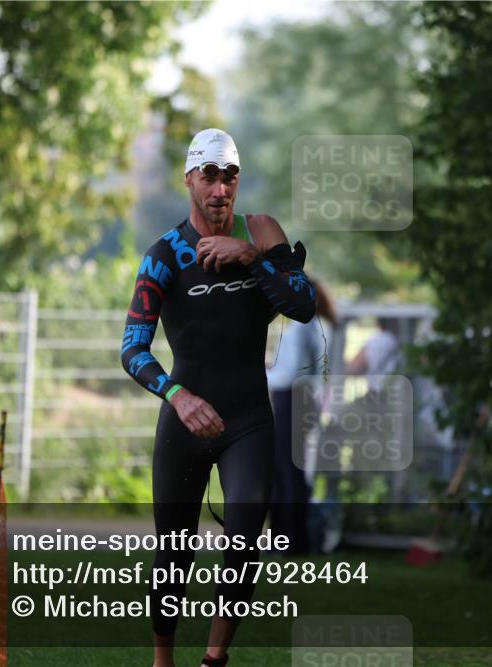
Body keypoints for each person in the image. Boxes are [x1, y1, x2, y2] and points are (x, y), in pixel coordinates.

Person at [120, 128, 316, 667]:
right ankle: (162, 659)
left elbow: (303, 304)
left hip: (248, 417)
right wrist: (178, 397)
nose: (220, 189)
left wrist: (251, 257)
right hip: (185, 420)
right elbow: (132, 349)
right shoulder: (164, 254)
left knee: (246, 534)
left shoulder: (262, 231)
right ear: (189, 179)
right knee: (173, 554)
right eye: (209, 176)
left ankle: (214, 659)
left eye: (230, 177)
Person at [266, 280, 337, 556]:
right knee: (289, 470)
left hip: (292, 398)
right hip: (304, 399)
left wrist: (259, 374)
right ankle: (290, 540)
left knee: (286, 471)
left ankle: (289, 541)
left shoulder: (302, 325)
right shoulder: (317, 324)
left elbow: (290, 372)